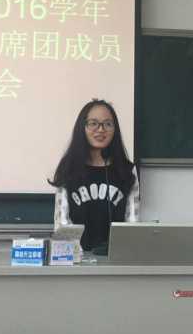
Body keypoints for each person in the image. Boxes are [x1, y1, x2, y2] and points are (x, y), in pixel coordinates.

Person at [49, 99, 139, 252]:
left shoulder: (126, 170)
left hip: (115, 258)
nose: (101, 129)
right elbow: (62, 224)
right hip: (77, 259)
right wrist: (78, 256)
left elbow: (133, 223)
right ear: (82, 127)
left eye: (107, 124)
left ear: (115, 129)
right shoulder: (68, 168)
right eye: (93, 123)